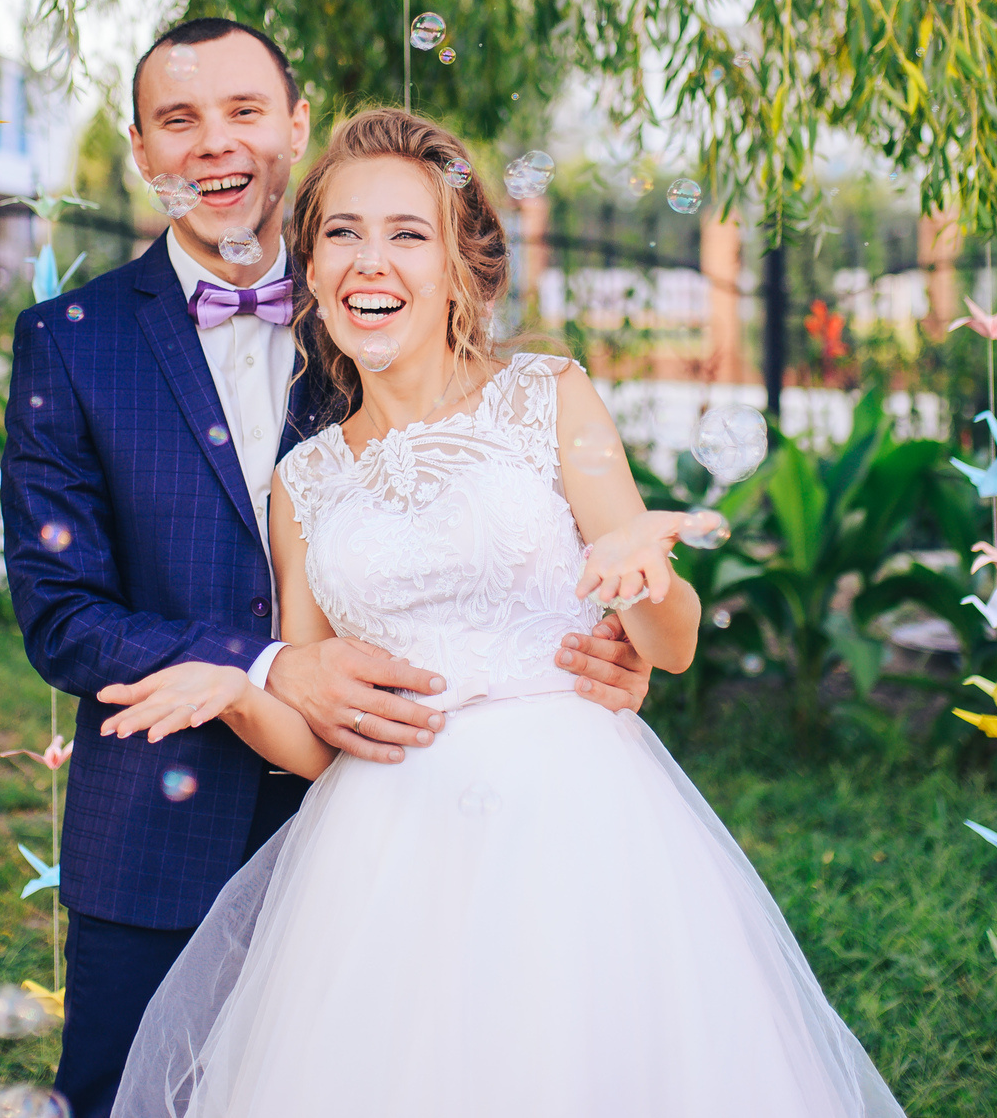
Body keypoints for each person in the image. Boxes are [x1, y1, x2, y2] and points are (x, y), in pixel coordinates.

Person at [95, 107, 906, 1118]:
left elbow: (672, 646)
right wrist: (237, 692)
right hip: (381, 850)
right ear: (312, 270)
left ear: (460, 269)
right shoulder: (301, 482)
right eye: (342, 232)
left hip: (572, 818)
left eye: (407, 232)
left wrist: (643, 574)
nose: (369, 260)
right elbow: (319, 739)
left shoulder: (548, 396)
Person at [0, 24, 657, 1118]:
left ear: (296, 126)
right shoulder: (70, 340)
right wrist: (263, 665)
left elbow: (502, 518)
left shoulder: (377, 297)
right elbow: (61, 613)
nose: (216, 143)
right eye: (179, 119)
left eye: (245, 111)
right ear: (141, 150)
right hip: (159, 828)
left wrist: (599, 647)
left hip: (402, 829)